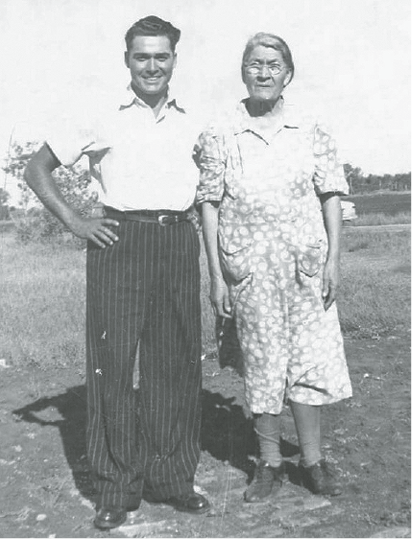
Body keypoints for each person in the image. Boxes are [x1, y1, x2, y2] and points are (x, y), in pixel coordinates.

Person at [24, 15, 209, 530]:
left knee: (173, 364)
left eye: (162, 56)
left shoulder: (193, 119)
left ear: (175, 59)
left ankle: (172, 478)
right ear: (126, 59)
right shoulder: (99, 115)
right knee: (112, 363)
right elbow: (36, 168)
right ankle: (116, 488)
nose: (152, 65)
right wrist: (76, 222)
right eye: (141, 56)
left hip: (176, 239)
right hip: (117, 241)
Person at [194, 32, 352, 503]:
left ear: (288, 73)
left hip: (305, 267)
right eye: (255, 64)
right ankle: (268, 464)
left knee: (308, 363)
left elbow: (331, 195)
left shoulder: (310, 127)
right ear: (243, 71)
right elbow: (209, 205)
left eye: (273, 64)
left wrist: (333, 260)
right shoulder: (220, 130)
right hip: (250, 272)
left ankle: (313, 461)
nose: (264, 72)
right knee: (263, 366)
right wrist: (217, 275)